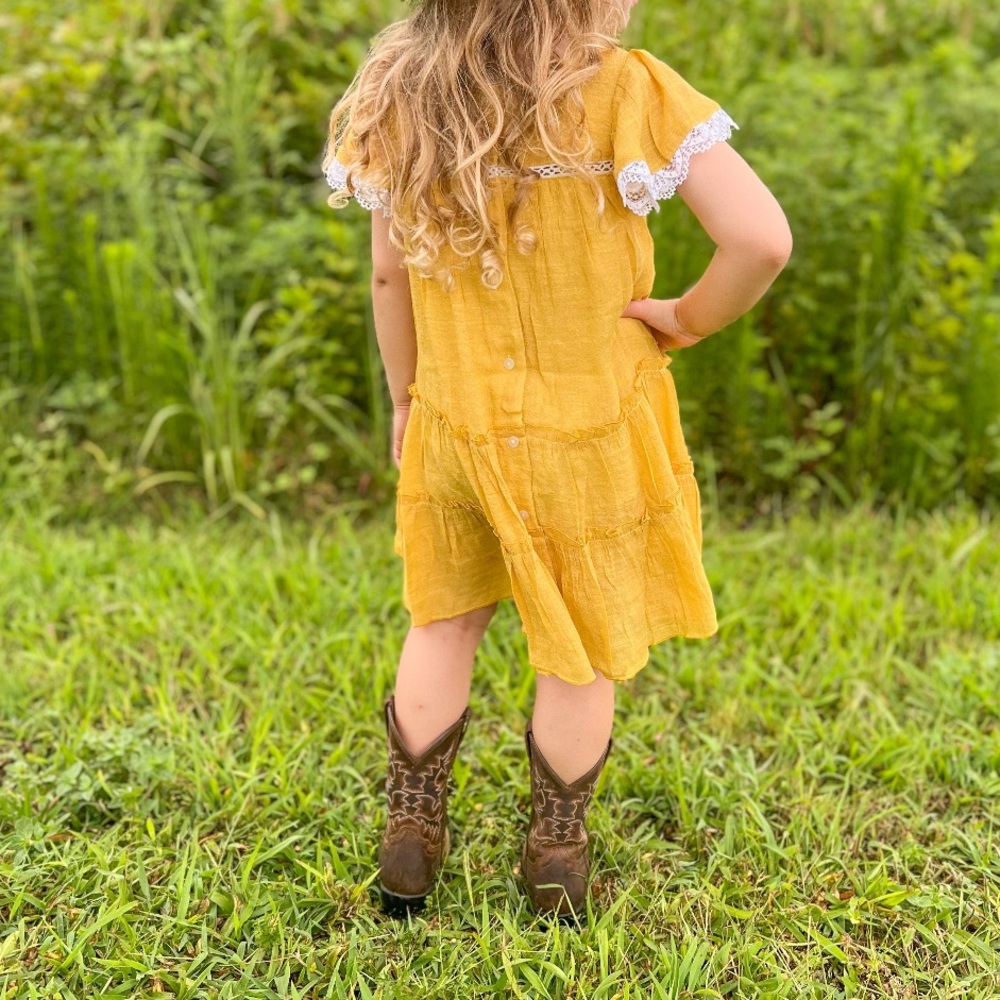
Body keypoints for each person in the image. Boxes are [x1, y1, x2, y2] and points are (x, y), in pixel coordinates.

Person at [321, 0, 792, 922]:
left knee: (445, 621)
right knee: (577, 652)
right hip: (589, 433)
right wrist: (688, 318)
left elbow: (388, 276)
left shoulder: (400, 97)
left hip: (457, 419)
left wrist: (406, 399)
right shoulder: (626, 90)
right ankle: (556, 864)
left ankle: (411, 842)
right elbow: (760, 240)